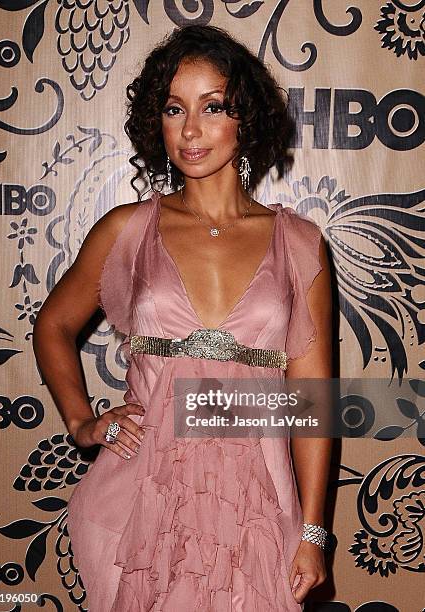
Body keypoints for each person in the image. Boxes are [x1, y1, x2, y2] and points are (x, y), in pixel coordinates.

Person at [33, 24, 333, 612]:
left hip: (258, 507)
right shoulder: (126, 230)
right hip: (142, 502)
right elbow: (54, 326)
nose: (191, 130)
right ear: (157, 121)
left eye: (212, 107)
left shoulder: (298, 243)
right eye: (174, 109)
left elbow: (313, 397)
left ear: (245, 117)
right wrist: (81, 422)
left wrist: (313, 532)